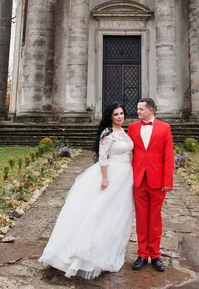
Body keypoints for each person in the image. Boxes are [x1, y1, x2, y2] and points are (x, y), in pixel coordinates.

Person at [39, 103, 133, 280]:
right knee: (99, 212)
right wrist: (105, 179)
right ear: (110, 117)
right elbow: (103, 157)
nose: (120, 116)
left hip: (124, 178)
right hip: (112, 176)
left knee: (116, 216)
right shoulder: (107, 133)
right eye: (116, 114)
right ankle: (85, 255)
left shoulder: (124, 132)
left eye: (122, 113)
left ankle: (108, 251)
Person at [127, 97, 174, 273]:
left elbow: (168, 156)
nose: (137, 112)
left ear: (151, 111)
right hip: (139, 180)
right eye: (138, 109)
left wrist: (167, 181)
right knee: (140, 218)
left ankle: (155, 255)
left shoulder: (165, 128)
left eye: (141, 109)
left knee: (155, 219)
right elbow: (126, 150)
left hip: (158, 181)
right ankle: (141, 254)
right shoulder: (131, 128)